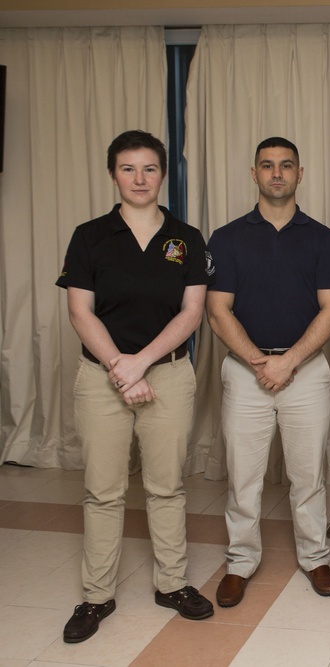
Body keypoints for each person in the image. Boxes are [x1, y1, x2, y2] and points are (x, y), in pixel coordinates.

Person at [56, 130, 215, 643]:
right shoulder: (89, 236)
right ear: (112, 175)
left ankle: (171, 584)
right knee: (102, 491)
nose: (140, 178)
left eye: (149, 168)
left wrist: (142, 364)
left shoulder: (187, 237)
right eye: (129, 169)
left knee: (166, 485)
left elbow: (192, 312)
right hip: (101, 378)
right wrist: (119, 369)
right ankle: (96, 596)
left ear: (162, 174)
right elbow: (79, 310)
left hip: (167, 375)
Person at [206, 137, 330, 607]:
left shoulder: (325, 239)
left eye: (286, 166)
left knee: (308, 474)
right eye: (267, 166)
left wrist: (288, 362)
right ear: (254, 174)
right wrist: (257, 361)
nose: (277, 174)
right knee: (242, 476)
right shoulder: (226, 239)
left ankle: (314, 556)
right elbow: (217, 311)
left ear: (299, 174)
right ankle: (240, 562)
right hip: (246, 373)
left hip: (306, 373)